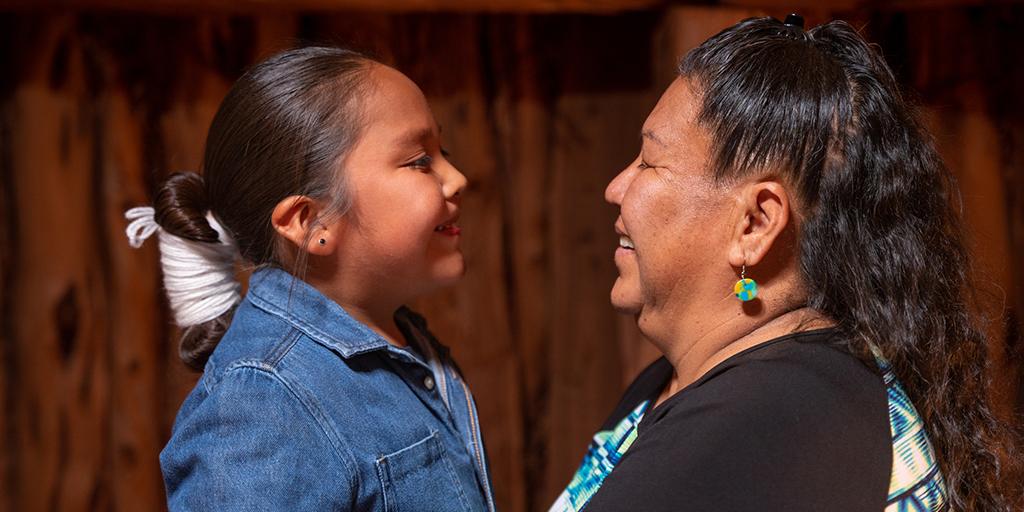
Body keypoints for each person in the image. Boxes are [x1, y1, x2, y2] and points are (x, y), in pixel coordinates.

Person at [551, 15, 1017, 512]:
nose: (615, 188)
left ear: (754, 223)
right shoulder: (696, 381)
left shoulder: (766, 421)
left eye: (648, 162)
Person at [125, 46, 495, 511]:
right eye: (420, 160)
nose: (457, 178)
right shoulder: (261, 404)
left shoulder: (403, 342)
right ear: (311, 223)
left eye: (445, 152)